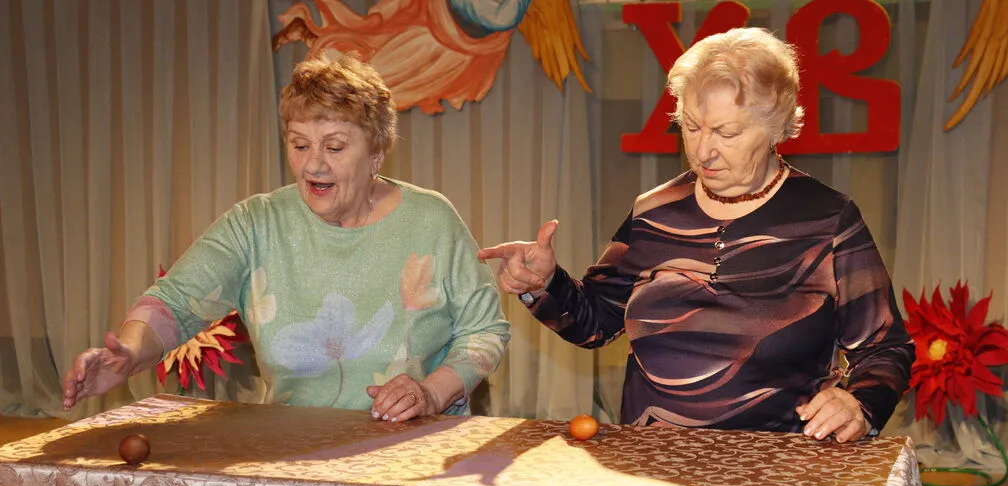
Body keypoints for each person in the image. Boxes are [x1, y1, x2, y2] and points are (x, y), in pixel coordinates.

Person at [478, 27, 913, 443]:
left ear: (777, 126)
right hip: (653, 461)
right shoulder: (654, 212)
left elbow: (885, 348)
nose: (704, 151)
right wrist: (545, 284)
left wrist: (859, 404)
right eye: (691, 126)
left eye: (727, 132)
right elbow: (597, 323)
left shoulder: (827, 218)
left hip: (777, 466)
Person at [63, 54, 510, 422]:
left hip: (413, 450)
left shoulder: (431, 219)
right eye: (299, 145)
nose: (314, 164)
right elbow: (176, 301)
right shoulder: (255, 223)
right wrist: (131, 353)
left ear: (377, 150)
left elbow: (485, 330)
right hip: (291, 450)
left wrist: (431, 394)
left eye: (334, 147)